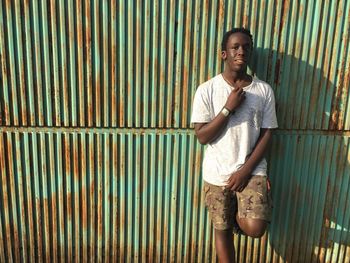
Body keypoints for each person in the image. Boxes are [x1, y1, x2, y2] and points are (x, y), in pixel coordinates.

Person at [191, 28, 278, 262]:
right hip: (217, 172)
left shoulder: (263, 91)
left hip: (251, 170)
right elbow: (202, 136)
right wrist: (228, 108)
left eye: (247, 47)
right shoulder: (207, 90)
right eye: (235, 47)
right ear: (224, 54)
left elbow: (268, 133)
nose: (241, 51)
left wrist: (245, 171)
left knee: (255, 227)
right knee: (222, 229)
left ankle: (240, 214)